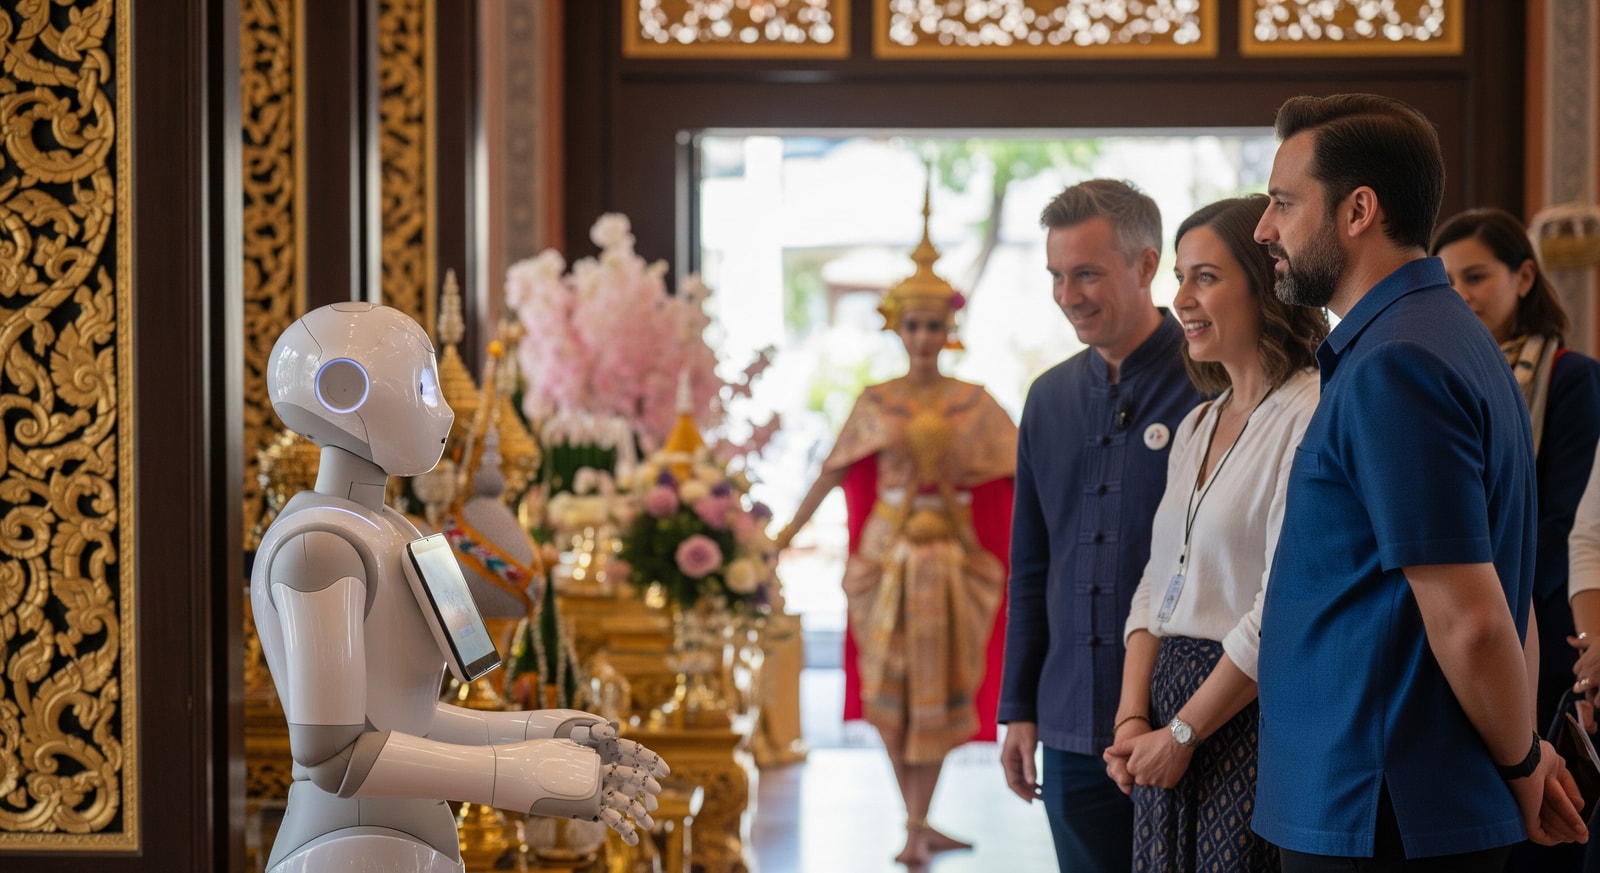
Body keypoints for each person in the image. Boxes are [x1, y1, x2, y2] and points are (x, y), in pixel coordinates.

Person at [1251, 93, 1588, 871]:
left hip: (1380, 805)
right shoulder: (1449, 335)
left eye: (1282, 202)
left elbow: (1472, 617)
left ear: (1358, 209)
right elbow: (1508, 596)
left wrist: (1522, 761)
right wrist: (1522, 747)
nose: (1266, 228)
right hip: (1401, 793)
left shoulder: (1395, 361)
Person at [774, 221, 1017, 866]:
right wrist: (785, 537)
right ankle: (913, 820)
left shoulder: (975, 404)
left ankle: (920, 821)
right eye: (913, 326)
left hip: (953, 558)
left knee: (942, 688)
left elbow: (1028, 477)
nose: (923, 338)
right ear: (897, 330)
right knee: (890, 686)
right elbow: (831, 471)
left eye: (933, 326)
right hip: (885, 563)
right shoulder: (877, 402)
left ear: (948, 331)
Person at [1104, 194, 1325, 872]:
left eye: (1205, 276)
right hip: (1168, 709)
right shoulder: (1199, 423)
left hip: (1243, 713)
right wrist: (1132, 719)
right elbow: (1157, 580)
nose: (1180, 297)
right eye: (1179, 276)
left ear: (1264, 285)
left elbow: (1281, 601)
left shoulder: (1313, 410)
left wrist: (1185, 728)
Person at [998, 178, 1206, 872]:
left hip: (1183, 726)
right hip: (1069, 725)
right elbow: (1030, 564)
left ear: (1146, 266)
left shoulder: (1212, 383)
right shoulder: (1048, 397)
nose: (1068, 295)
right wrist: (1019, 708)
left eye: (1086, 273)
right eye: (1057, 275)